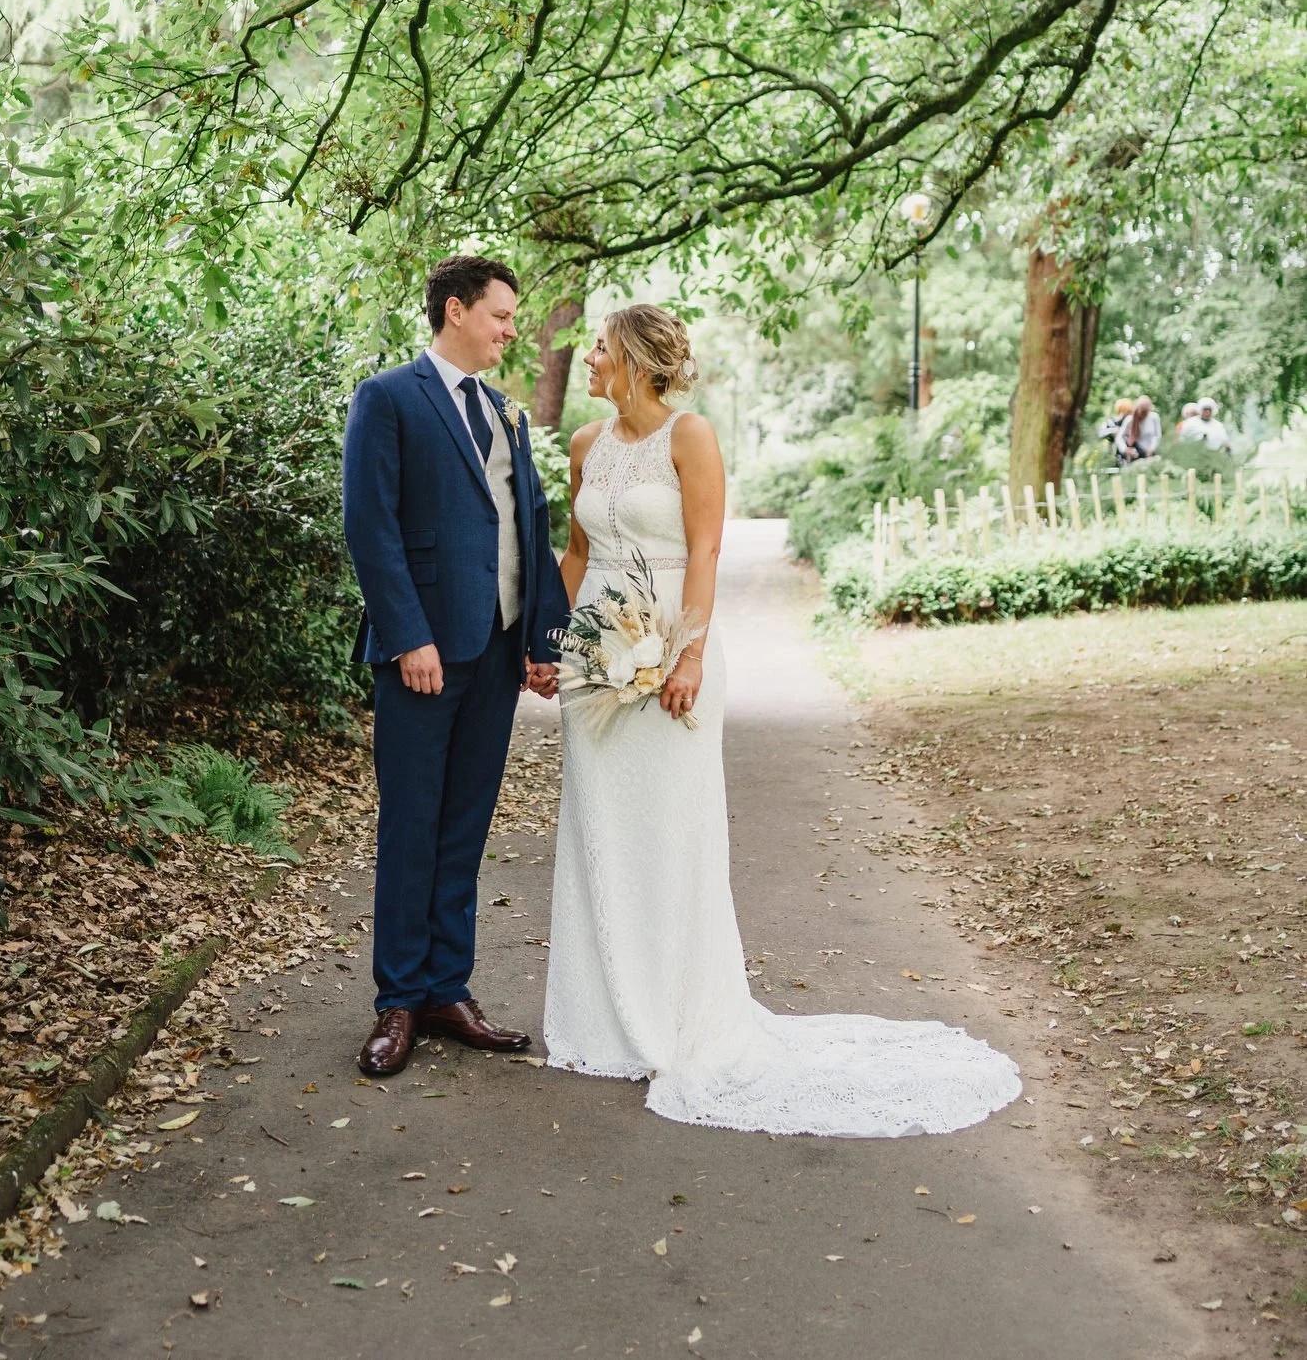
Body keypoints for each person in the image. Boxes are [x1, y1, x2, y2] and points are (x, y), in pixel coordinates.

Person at [542, 302, 1021, 1136]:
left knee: (673, 830)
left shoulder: (690, 437)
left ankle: (680, 1016)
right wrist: (550, 645)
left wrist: (689, 655)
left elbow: (705, 550)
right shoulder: (586, 445)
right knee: (598, 828)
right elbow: (578, 555)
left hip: (671, 647)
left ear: (637, 361)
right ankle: (606, 1018)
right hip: (596, 654)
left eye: (600, 349)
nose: (588, 359)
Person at [342, 255, 570, 1079]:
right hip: (423, 654)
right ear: (455, 311)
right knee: (412, 824)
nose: (511, 330)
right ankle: (399, 1000)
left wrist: (543, 639)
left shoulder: (506, 412)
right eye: (501, 315)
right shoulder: (387, 398)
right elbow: (370, 525)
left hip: (497, 649)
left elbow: (530, 523)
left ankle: (447, 989)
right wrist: (409, 636)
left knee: (466, 824)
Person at [1119, 395, 1161, 463]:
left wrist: (1151, 449)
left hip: (1149, 453)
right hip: (1135, 453)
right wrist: (1125, 449)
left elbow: (1156, 436)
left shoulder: (1154, 417)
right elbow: (1119, 437)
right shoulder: (1130, 419)